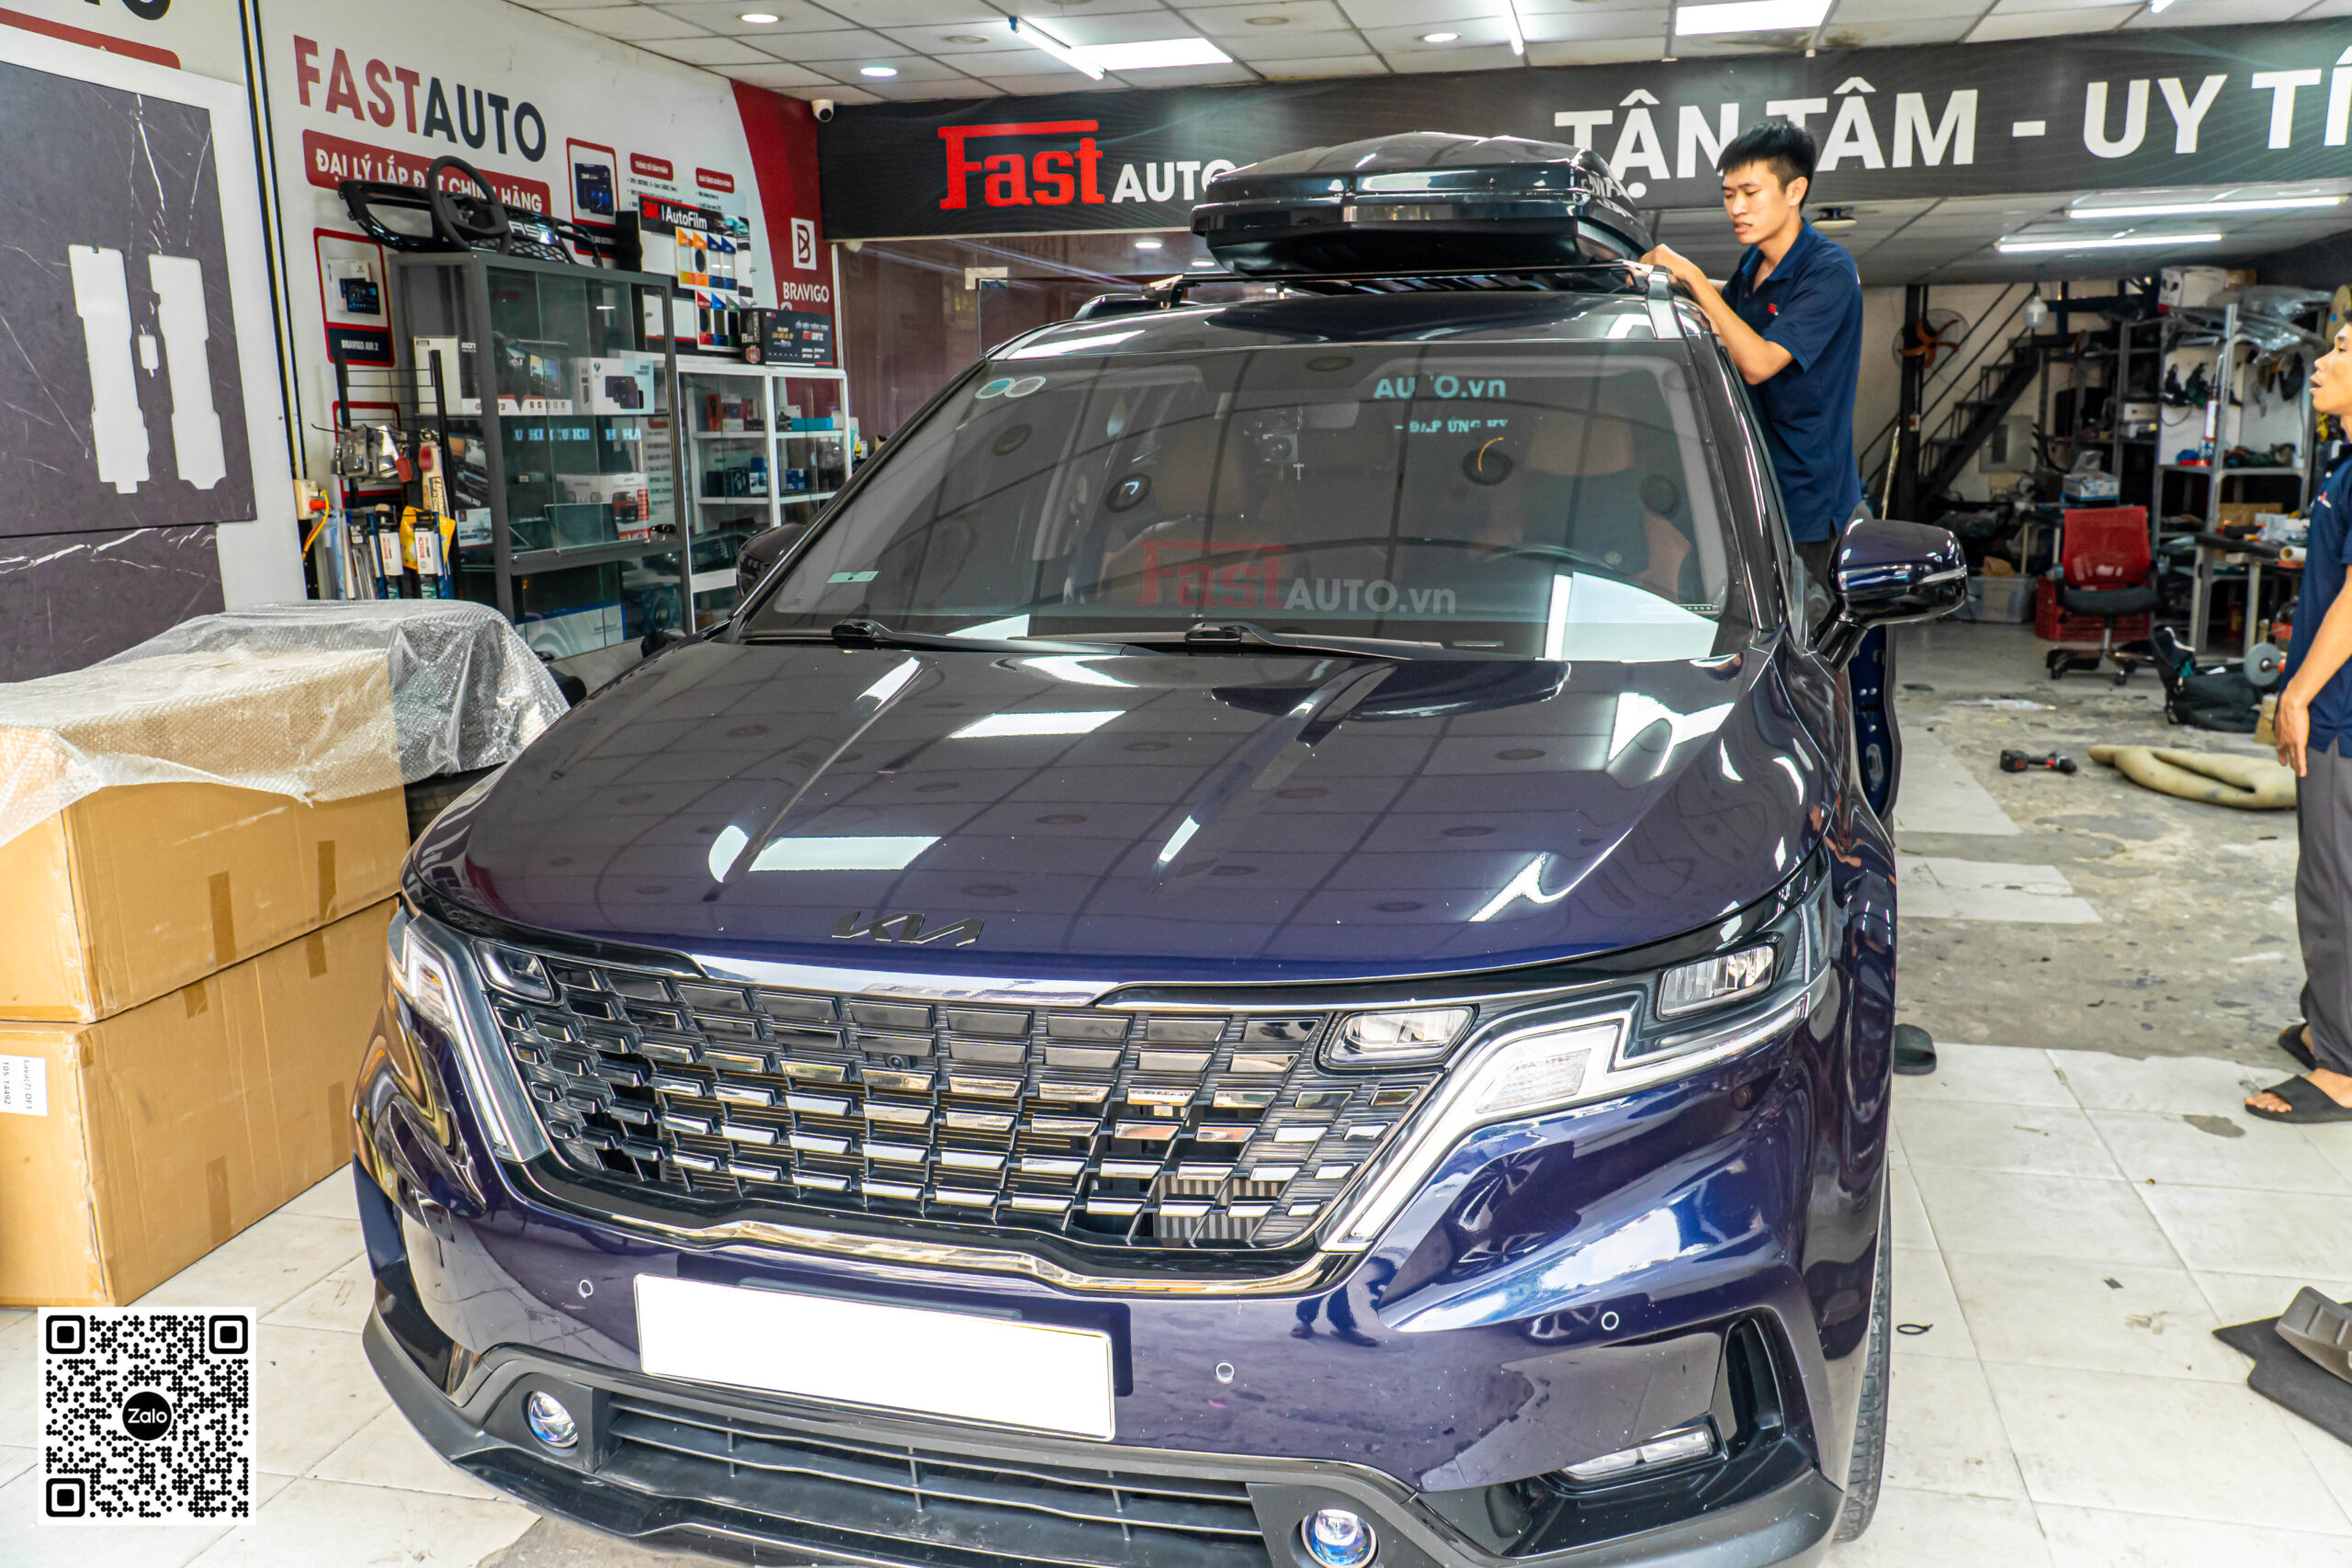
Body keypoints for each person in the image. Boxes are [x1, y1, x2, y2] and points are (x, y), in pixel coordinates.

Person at [1640, 119, 1864, 596]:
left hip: (1806, 503)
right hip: (1752, 489)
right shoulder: (1754, 266)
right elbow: (1733, 310)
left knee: (1804, 632)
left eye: (1750, 193)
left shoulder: (1828, 271)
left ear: (1794, 190)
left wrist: (1693, 276)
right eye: (1728, 195)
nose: (1736, 208)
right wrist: (1666, 283)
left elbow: (1758, 362)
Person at [2249, 321, 2352, 1123]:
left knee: (2332, 888)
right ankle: (2330, 1028)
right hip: (2335, 707)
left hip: (2341, 717)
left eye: (2346, 350)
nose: (2322, 361)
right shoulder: (2343, 466)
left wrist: (2297, 696)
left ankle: (2342, 1068)